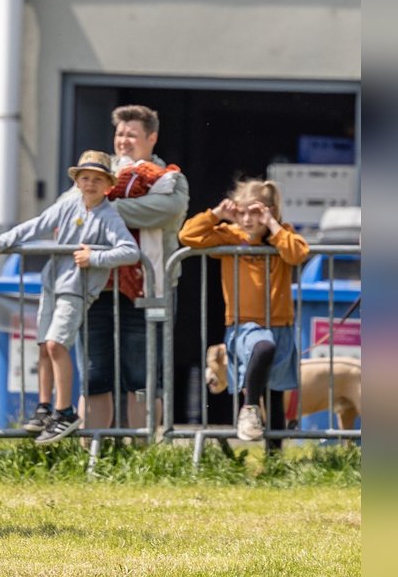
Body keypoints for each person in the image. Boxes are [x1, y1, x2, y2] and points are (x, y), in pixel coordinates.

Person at [0, 150, 139, 445]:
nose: (90, 184)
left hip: (77, 288)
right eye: (85, 177)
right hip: (52, 283)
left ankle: (65, 411)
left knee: (55, 344)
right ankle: (44, 407)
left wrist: (96, 256)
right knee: (43, 345)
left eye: (97, 179)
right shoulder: (68, 207)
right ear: (77, 181)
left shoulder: (109, 215)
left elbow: (130, 250)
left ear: (108, 186)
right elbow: (35, 226)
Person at [76, 105, 189, 433]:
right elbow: (70, 209)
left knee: (143, 375)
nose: (123, 141)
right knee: (95, 373)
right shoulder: (96, 172)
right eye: (120, 133)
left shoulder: (169, 179)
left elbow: (166, 211)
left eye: (132, 134)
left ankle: (145, 452)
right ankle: (93, 450)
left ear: (152, 138)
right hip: (97, 285)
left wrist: (102, 207)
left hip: (147, 289)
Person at [179, 179, 310, 442]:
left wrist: (272, 224)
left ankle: (274, 461)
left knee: (274, 395)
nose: (248, 219)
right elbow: (188, 236)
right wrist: (217, 214)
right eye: (243, 212)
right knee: (264, 347)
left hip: (281, 324)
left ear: (270, 210)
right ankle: (249, 407)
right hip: (245, 325)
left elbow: (298, 254)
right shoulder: (230, 235)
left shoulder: (282, 235)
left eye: (256, 212)